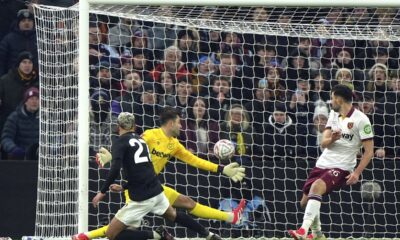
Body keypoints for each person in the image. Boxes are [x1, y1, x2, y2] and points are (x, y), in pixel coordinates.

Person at [74, 107, 246, 240]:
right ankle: (87, 236)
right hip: (137, 188)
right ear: (171, 123)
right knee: (124, 228)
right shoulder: (150, 135)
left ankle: (225, 221)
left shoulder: (175, 144)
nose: (181, 125)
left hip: (152, 186)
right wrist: (112, 157)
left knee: (185, 203)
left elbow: (195, 160)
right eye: (179, 122)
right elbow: (130, 148)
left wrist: (221, 169)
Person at [288, 84, 374, 240]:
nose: (331, 101)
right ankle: (317, 234)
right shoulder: (333, 116)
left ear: (339, 99)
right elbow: (323, 143)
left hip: (342, 166)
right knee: (304, 203)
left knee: (316, 187)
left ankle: (302, 230)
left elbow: (369, 152)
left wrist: (356, 172)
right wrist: (332, 138)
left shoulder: (361, 120)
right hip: (323, 163)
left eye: (332, 98)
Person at [1, 87, 39, 160]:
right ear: (25, 102)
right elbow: (6, 138)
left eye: (37, 99)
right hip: (20, 158)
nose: (34, 102)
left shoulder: (46, 118)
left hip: (40, 157)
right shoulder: (14, 117)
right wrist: (13, 149)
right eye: (31, 99)